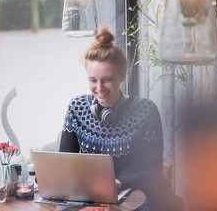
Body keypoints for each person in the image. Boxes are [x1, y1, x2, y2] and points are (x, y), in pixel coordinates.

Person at [59, 26, 164, 208]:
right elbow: (63, 163)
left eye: (107, 79)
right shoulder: (76, 107)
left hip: (133, 197)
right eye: (93, 80)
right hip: (88, 196)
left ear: (122, 75)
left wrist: (119, 182)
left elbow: (152, 170)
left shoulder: (146, 111)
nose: (99, 88)